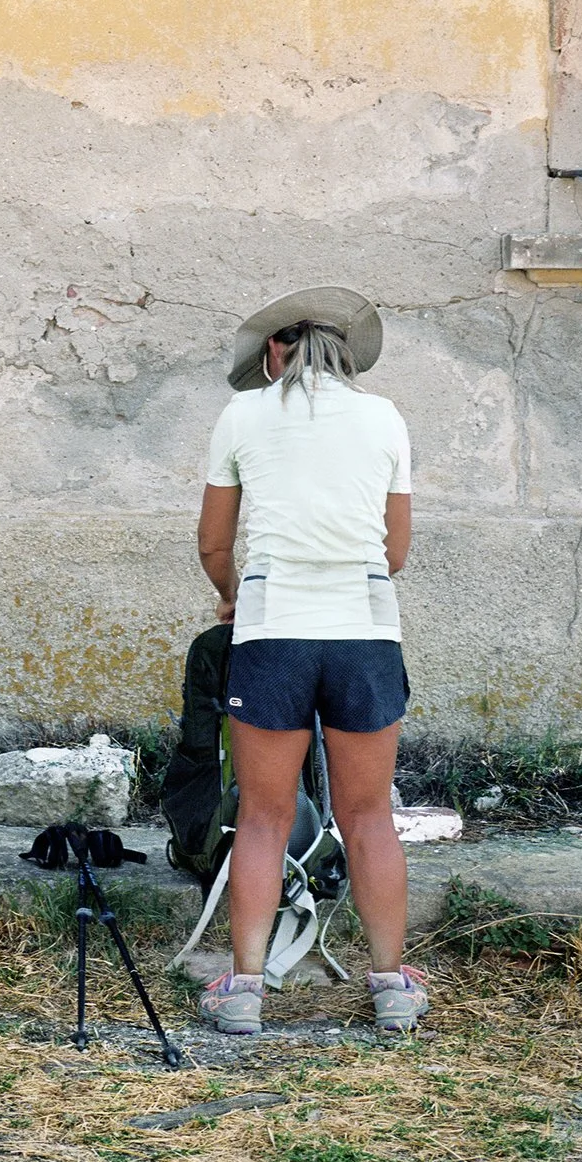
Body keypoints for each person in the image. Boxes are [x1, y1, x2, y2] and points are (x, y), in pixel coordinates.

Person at [192, 286, 426, 1037]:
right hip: (363, 633)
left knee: (264, 817)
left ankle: (244, 989)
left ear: (272, 355)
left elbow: (214, 544)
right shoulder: (385, 417)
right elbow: (394, 551)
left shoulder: (242, 415)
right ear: (347, 358)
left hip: (272, 634)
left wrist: (235, 594)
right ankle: (391, 986)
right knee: (368, 817)